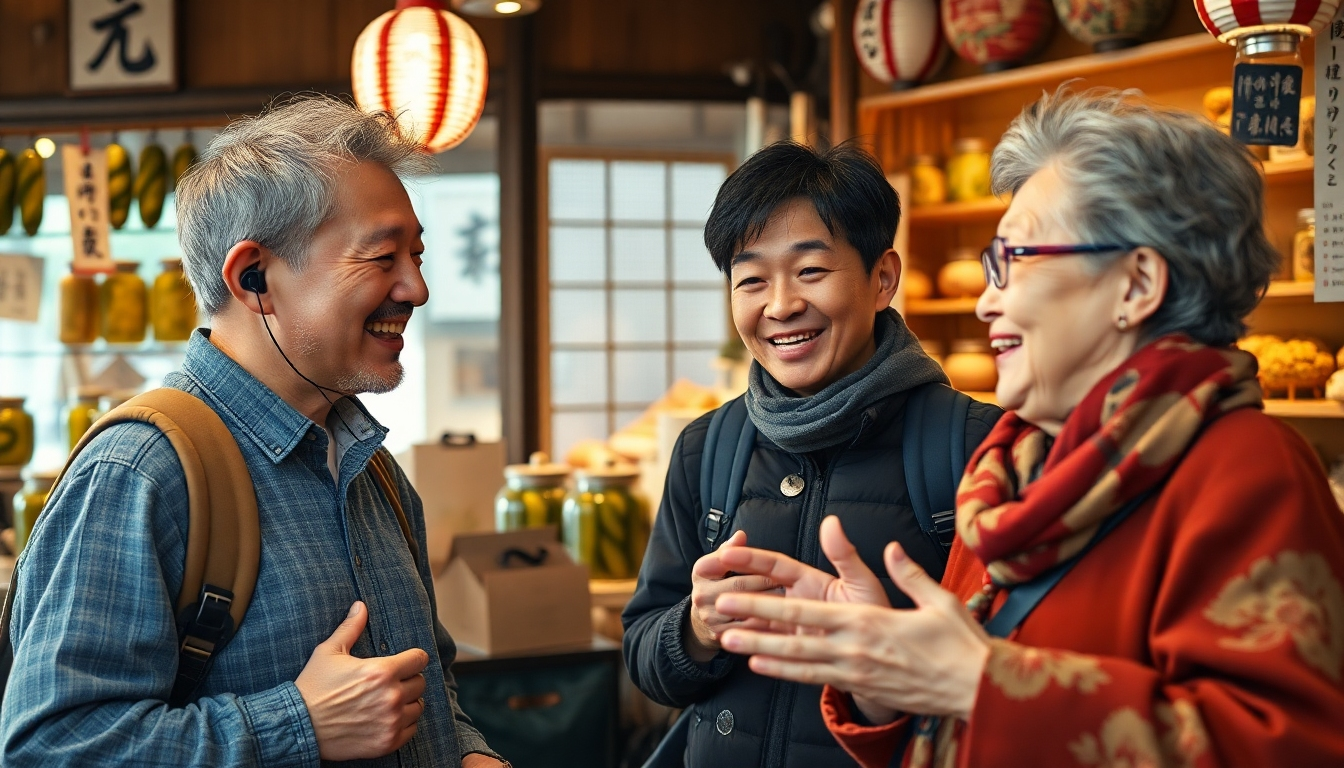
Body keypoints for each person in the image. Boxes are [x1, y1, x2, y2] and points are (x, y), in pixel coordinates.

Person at [708, 88, 1344, 766]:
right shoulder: (1014, 466)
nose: (986, 301)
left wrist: (984, 684)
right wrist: (883, 668)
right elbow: (961, 712)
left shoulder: (1247, 469)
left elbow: (1286, 747)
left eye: (1012, 262)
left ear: (1136, 284)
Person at [1, 97, 506, 767]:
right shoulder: (142, 471)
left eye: (416, 255)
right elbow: (48, 748)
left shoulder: (373, 469)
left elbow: (425, 685)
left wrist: (466, 752)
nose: (417, 288)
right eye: (384, 257)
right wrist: (298, 724)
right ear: (254, 276)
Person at [621, 141, 1002, 767]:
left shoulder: (971, 446)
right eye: (750, 279)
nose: (779, 305)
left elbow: (1009, 681)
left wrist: (886, 666)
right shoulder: (707, 448)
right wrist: (696, 628)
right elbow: (645, 656)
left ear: (882, 279)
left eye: (810, 271)